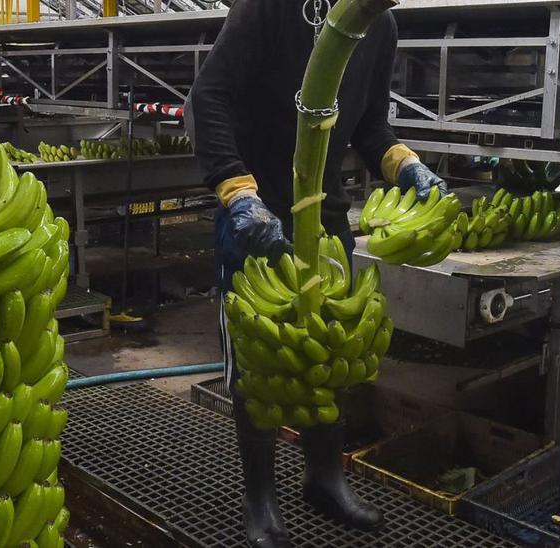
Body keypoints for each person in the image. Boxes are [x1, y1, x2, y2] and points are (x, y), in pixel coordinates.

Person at [187, 0, 446, 545]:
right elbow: (207, 97)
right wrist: (235, 188)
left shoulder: (379, 23)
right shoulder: (265, 9)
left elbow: (370, 125)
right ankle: (259, 497)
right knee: (260, 361)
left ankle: (325, 480)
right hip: (253, 212)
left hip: (325, 218)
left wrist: (405, 163)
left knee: (329, 354)